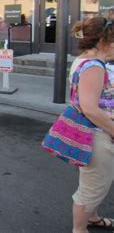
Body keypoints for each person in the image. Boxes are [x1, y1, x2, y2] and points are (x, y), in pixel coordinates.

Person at [69, 17, 114, 233]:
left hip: (90, 134)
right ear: (104, 41)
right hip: (99, 136)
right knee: (91, 188)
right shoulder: (94, 66)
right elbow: (90, 108)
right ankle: (80, 229)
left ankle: (92, 218)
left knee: (94, 182)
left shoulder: (86, 60)